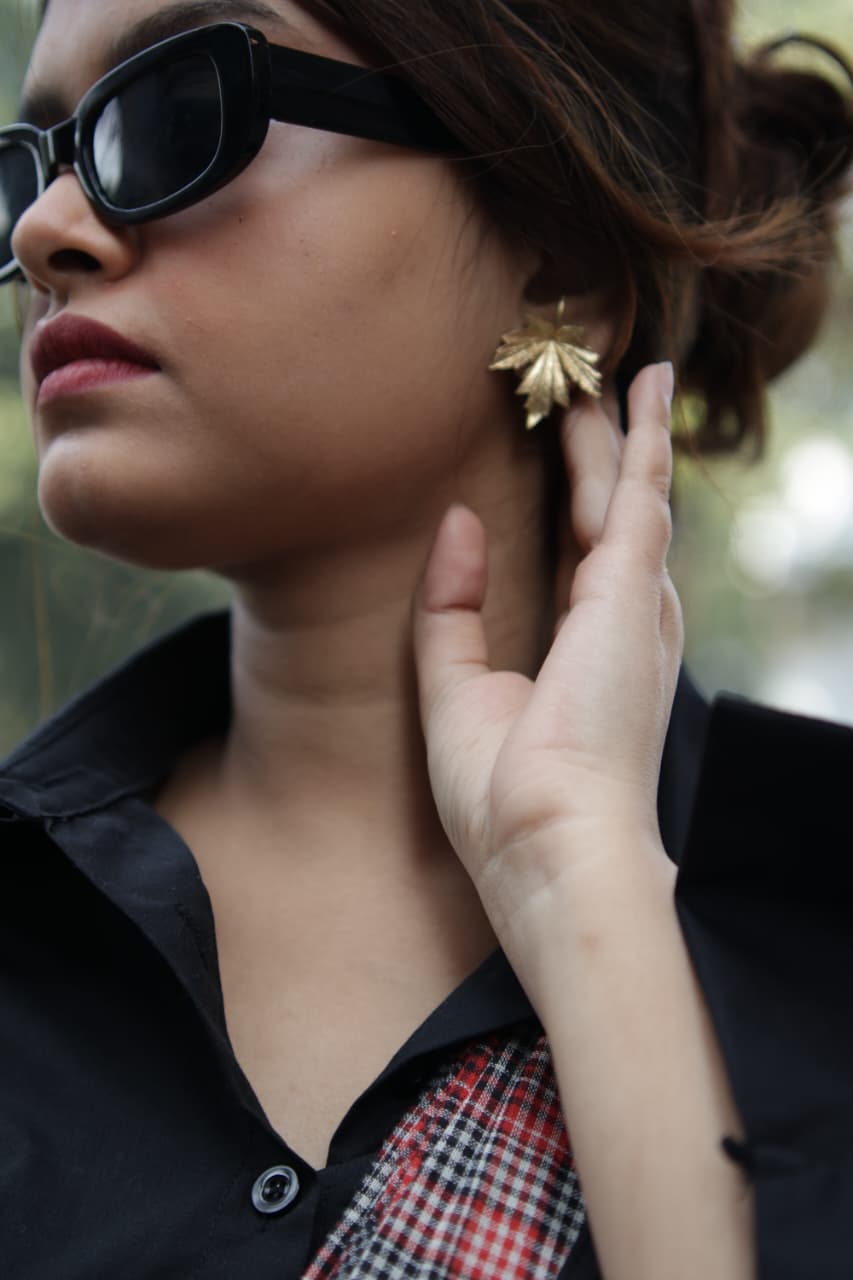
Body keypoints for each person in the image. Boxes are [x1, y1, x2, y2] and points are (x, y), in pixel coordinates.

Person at [0, 1, 851, 1276]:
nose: (42, 230)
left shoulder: (818, 955)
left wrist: (581, 891)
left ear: (556, 264)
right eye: (28, 164)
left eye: (177, 111)